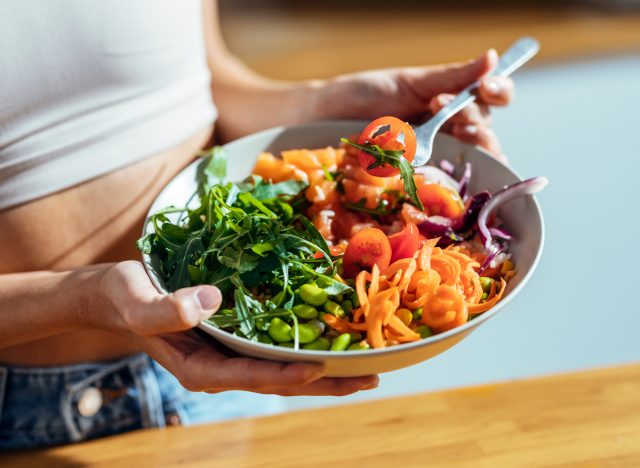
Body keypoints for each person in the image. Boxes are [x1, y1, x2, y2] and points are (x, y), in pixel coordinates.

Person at [0, 0, 514, 450]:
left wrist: (315, 105)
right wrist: (86, 297)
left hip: (223, 369)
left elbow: (202, 81)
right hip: (23, 415)